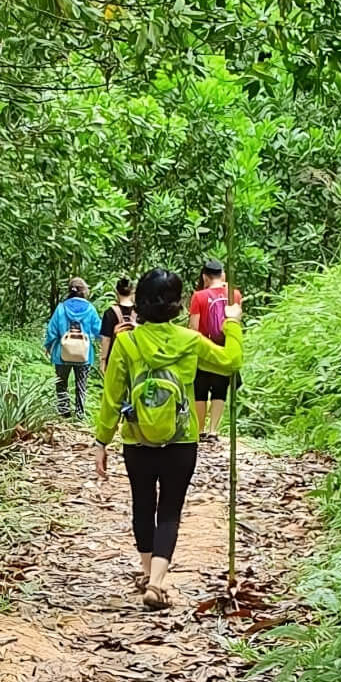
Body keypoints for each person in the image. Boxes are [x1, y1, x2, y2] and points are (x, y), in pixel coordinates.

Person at [92, 266, 243, 607]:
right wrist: (232, 322)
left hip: (137, 438)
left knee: (143, 505)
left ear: (141, 303)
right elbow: (231, 361)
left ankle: (148, 573)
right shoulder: (189, 341)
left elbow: (112, 397)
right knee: (170, 510)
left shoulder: (127, 343)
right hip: (182, 438)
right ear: (176, 304)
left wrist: (102, 440)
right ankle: (157, 581)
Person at [188, 260, 238, 437]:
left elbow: (194, 328)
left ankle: (200, 430)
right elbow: (236, 322)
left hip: (203, 351)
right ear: (222, 274)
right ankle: (213, 430)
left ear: (205, 276)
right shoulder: (234, 295)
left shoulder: (199, 296)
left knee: (199, 391)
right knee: (220, 390)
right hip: (225, 349)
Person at [43, 277, 102, 418]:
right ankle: (80, 414)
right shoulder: (90, 309)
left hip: (61, 354)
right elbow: (98, 330)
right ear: (84, 291)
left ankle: (64, 412)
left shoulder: (61, 308)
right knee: (81, 384)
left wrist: (48, 346)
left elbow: (52, 330)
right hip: (84, 355)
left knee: (61, 383)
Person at [97, 277, 136, 365]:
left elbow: (106, 339)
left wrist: (103, 360)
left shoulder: (109, 313)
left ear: (116, 292)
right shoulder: (139, 312)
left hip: (114, 358)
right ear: (133, 292)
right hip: (135, 359)